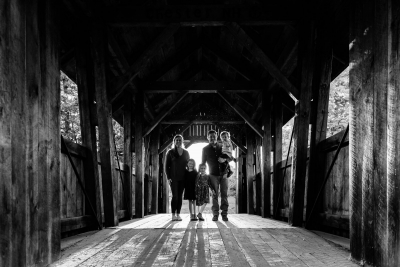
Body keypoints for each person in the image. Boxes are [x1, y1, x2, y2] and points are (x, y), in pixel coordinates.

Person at [201, 130, 230, 221]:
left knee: (224, 194)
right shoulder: (205, 149)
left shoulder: (222, 146)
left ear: (216, 136)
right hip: (213, 175)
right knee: (214, 195)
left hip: (224, 174)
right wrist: (202, 174)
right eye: (210, 136)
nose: (212, 138)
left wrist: (225, 160)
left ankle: (224, 214)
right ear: (208, 138)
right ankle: (215, 214)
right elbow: (203, 163)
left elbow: (230, 157)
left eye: (214, 136)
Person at [165, 134, 190, 221]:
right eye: (177, 140)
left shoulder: (186, 153)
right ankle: (173, 215)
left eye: (180, 140)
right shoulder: (170, 152)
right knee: (175, 196)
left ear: (182, 141)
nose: (178, 141)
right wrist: (168, 177)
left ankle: (178, 214)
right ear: (174, 142)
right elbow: (166, 166)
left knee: (180, 197)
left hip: (183, 178)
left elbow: (188, 165)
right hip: (173, 178)